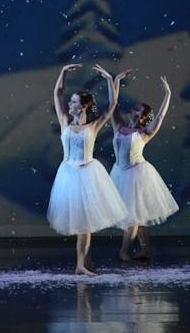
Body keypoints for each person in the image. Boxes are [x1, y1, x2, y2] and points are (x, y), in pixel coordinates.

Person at [47, 63, 129, 275]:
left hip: (87, 175)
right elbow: (57, 93)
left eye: (73, 102)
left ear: (82, 107)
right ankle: (82, 264)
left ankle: (82, 264)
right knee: (82, 226)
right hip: (68, 176)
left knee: (85, 226)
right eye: (71, 101)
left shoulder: (93, 125)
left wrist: (110, 80)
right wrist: (62, 72)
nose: (69, 104)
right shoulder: (65, 121)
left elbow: (112, 104)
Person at [109, 74, 179, 261]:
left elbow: (161, 116)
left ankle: (123, 251)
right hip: (119, 173)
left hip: (136, 175)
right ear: (132, 112)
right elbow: (112, 105)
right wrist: (113, 81)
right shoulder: (119, 126)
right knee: (137, 217)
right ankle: (145, 250)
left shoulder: (145, 133)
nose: (138, 115)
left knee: (133, 218)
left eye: (142, 115)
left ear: (144, 119)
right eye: (136, 111)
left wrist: (168, 93)